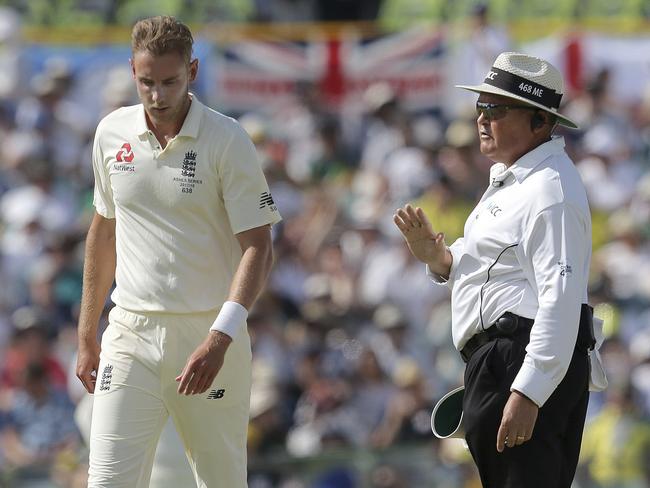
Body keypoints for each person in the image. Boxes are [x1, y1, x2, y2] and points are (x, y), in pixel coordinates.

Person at [75, 16, 281, 487]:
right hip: (130, 333)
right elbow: (102, 232)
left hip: (208, 338)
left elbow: (259, 248)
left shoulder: (227, 139)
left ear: (192, 70)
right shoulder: (110, 133)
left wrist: (221, 337)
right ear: (132, 71)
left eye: (169, 81)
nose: (157, 95)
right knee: (105, 481)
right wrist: (88, 332)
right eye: (146, 82)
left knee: (220, 482)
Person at [394, 52, 597, 487]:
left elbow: (559, 301)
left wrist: (528, 390)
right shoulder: (518, 179)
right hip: (504, 360)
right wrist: (437, 259)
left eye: (497, 109)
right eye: (481, 108)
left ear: (540, 122)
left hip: (518, 359)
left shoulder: (548, 190)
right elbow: (494, 270)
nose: (482, 119)